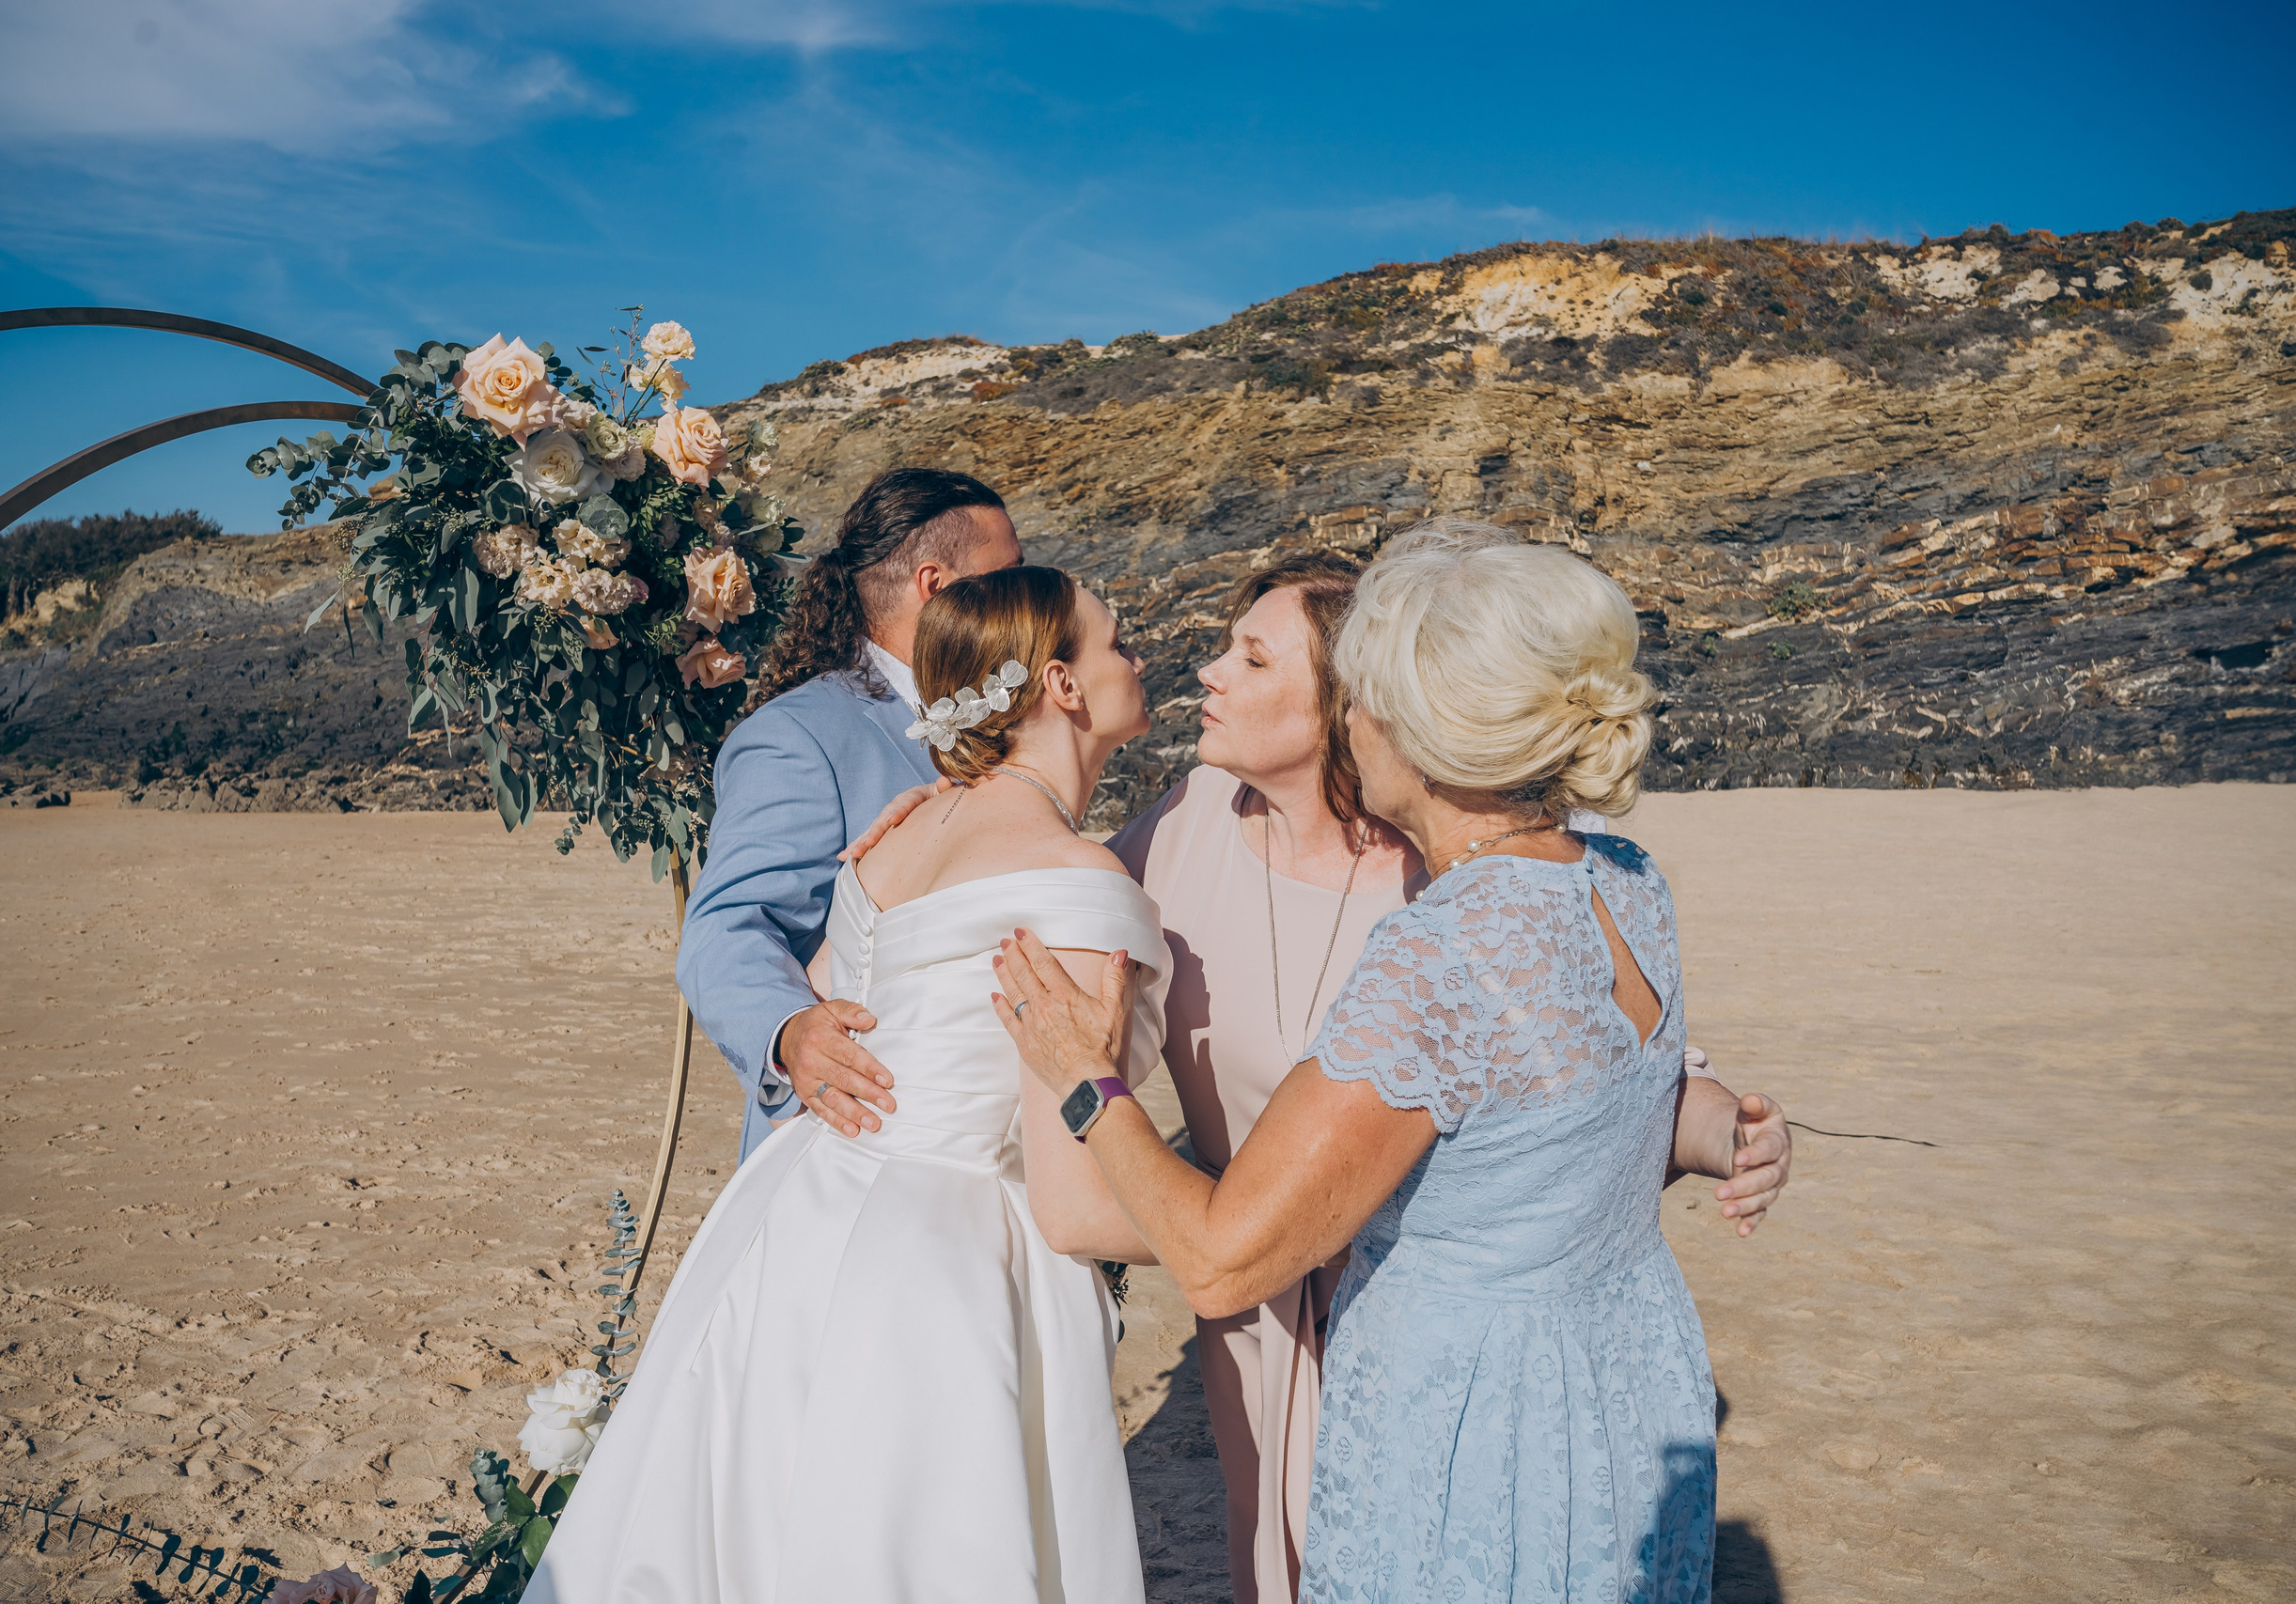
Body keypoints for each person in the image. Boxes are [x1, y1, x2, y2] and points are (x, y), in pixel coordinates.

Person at [992, 520, 1758, 1602]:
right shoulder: (1627, 879)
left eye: (1361, 697)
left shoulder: (1439, 954)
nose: (1351, 719)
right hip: (1623, 1388)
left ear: (1410, 729)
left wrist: (1087, 1078)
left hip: (1464, 1419)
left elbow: (1219, 1260)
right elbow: (1573, 1110)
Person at [526, 567, 1169, 1603]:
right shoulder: (1078, 885)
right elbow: (1074, 1204)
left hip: (799, 1212)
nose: (1137, 657)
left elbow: (844, 992)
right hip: (949, 1260)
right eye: (1117, 642)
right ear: (1062, 684)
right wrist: (1244, 1217)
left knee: (764, 1519)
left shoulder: (899, 833)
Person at [676, 466, 1021, 1163]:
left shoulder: (1010, 719)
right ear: (936, 585)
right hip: (855, 1140)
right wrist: (791, 1031)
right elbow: (725, 926)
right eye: (1011, 572)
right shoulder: (802, 735)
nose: (1031, 592)